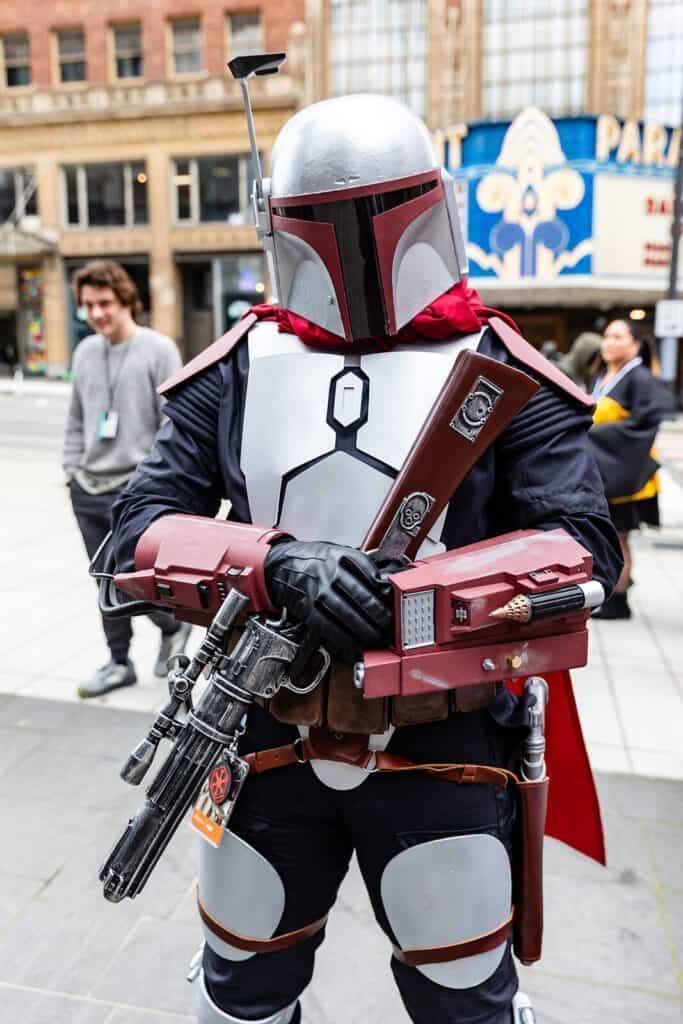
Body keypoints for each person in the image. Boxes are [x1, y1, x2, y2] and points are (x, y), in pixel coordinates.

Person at [111, 95, 621, 1024]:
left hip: (442, 739)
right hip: (264, 731)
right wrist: (275, 564)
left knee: (464, 1002)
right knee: (240, 996)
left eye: (374, 211)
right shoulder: (238, 366)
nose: (352, 244)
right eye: (325, 218)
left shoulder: (500, 369)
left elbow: (583, 551)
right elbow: (134, 532)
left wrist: (414, 600)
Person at [62, 260, 191, 697]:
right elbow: (76, 419)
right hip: (88, 487)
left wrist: (150, 486)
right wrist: (71, 471)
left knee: (130, 578)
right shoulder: (85, 352)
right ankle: (119, 662)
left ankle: (171, 626)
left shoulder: (158, 350)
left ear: (125, 301)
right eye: (88, 305)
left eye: (105, 303)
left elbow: (173, 426)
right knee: (102, 581)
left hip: (135, 491)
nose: (97, 313)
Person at [589, 318, 662, 620]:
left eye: (618, 337)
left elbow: (645, 424)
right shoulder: (602, 374)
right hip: (605, 469)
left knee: (618, 537)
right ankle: (613, 589)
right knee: (607, 536)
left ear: (635, 344)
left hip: (624, 472)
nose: (608, 342)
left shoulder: (640, 377)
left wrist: (594, 434)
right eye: (606, 336)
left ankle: (619, 598)